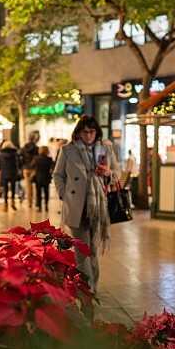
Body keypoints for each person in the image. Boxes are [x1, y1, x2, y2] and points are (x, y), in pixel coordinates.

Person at [53, 115, 121, 292]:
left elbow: (117, 173)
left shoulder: (106, 148)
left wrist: (108, 173)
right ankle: (86, 288)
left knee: (92, 248)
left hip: (97, 205)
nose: (89, 135)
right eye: (85, 132)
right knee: (81, 248)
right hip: (76, 205)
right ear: (78, 133)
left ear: (97, 132)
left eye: (92, 131)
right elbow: (58, 174)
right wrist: (63, 194)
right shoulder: (68, 149)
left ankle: (92, 286)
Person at [0, 140, 21, 211]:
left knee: (5, 190)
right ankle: (12, 202)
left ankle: (5, 206)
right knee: (13, 188)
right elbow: (20, 163)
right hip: (13, 173)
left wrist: (0, 168)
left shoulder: (0, 155)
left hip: (4, 173)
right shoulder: (15, 154)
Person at [31, 145, 54, 212]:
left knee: (38, 193)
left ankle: (39, 206)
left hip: (38, 177)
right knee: (46, 192)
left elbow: (32, 165)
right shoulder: (49, 159)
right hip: (46, 177)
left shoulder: (36, 158)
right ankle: (46, 205)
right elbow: (52, 167)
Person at [20, 131, 40, 207]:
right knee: (35, 186)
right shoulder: (36, 148)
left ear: (28, 139)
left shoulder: (24, 148)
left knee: (28, 186)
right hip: (34, 169)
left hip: (26, 168)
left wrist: (22, 165)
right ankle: (36, 202)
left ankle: (29, 203)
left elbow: (20, 157)